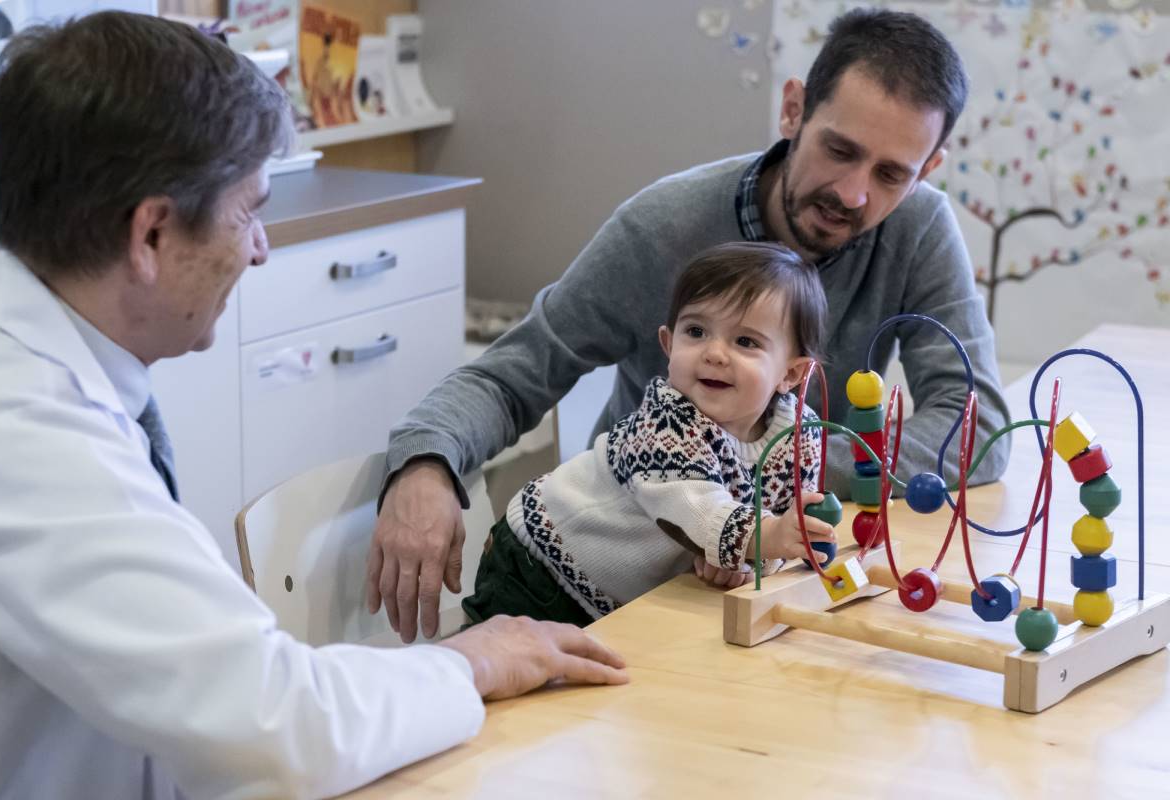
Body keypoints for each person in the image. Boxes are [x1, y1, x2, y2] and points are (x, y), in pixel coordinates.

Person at [0, 13, 625, 800]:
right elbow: (280, 727)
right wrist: (474, 660)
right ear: (150, 234)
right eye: (250, 210)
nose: (260, 248)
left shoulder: (26, 345)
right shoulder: (24, 438)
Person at [372, 7, 1012, 643]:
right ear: (793, 111)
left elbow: (976, 423)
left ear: (927, 170)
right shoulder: (661, 227)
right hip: (622, 594)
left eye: (891, 174)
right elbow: (515, 375)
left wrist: (787, 495)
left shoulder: (921, 227)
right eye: (839, 150)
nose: (852, 193)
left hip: (762, 574)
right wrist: (426, 461)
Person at [463, 242, 838, 625]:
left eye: (745, 341)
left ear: (791, 375)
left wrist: (747, 556)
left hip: (623, 595)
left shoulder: (800, 435)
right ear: (668, 343)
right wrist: (764, 536)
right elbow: (699, 511)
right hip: (538, 565)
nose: (715, 353)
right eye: (696, 331)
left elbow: (782, 520)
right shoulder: (666, 423)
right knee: (501, 674)